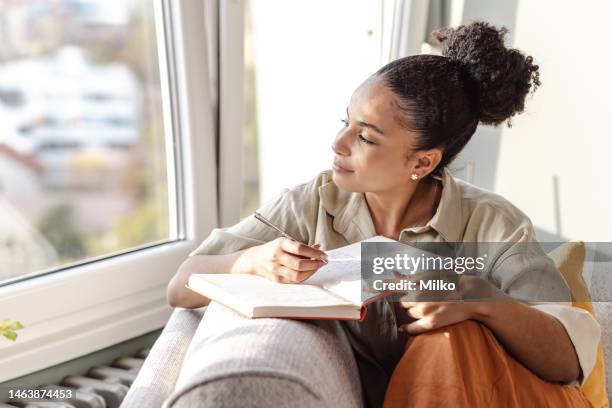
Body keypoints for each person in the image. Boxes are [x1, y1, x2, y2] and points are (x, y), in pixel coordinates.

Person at [166, 21, 600, 407]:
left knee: (452, 336)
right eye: (346, 121)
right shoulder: (311, 203)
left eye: (366, 137)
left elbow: (566, 357)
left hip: (495, 394)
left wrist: (476, 298)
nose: (338, 143)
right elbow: (181, 285)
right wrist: (249, 262)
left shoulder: (493, 223)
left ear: (422, 163)